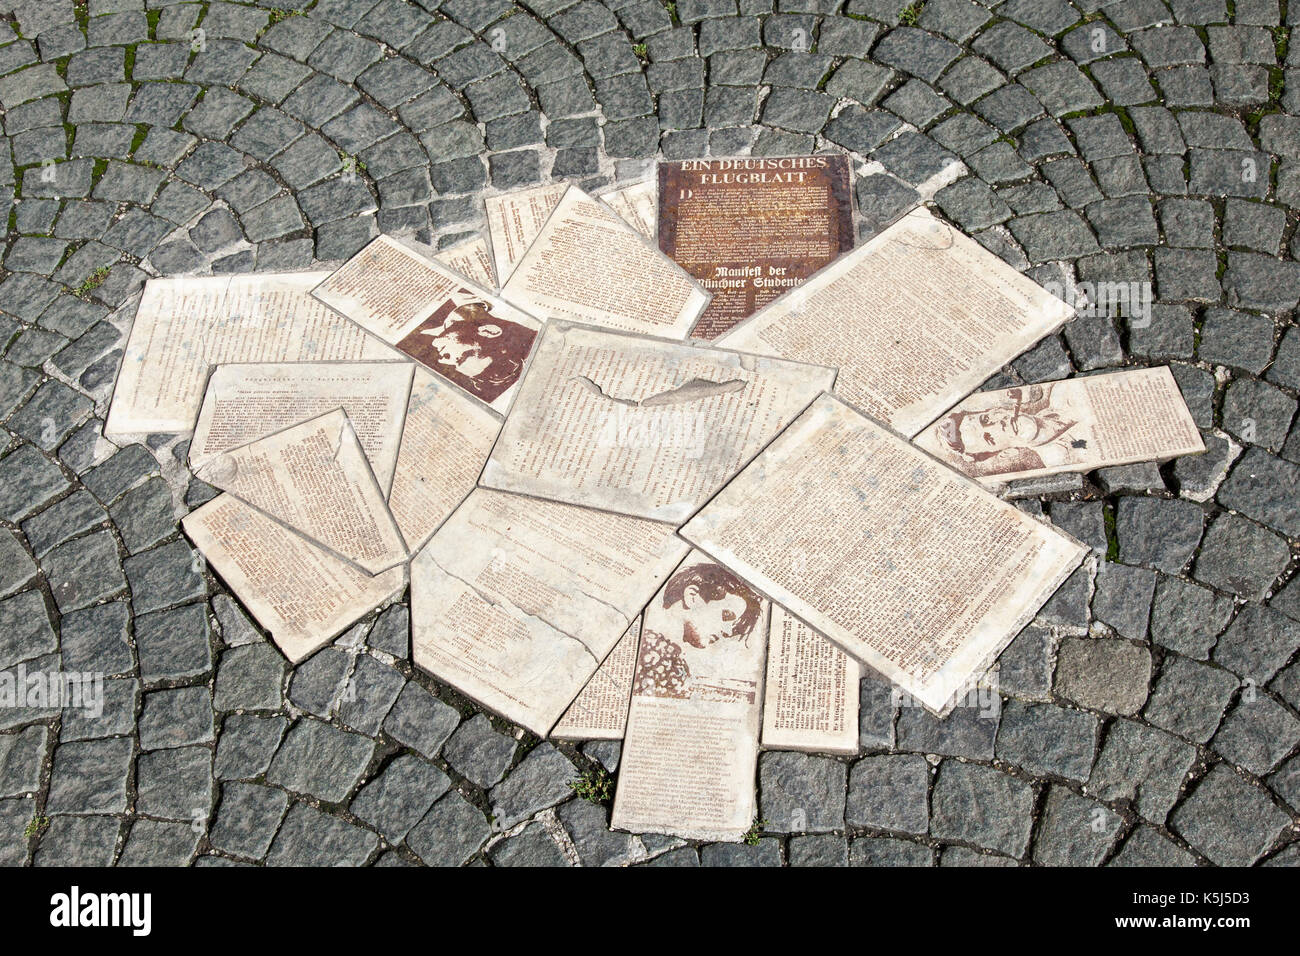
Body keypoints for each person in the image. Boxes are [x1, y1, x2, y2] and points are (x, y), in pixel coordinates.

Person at [633, 563, 763, 699]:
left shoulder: (668, 657)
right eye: (726, 615)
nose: (728, 632)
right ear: (692, 596)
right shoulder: (651, 654)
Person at [398, 295, 535, 403]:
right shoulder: (469, 300)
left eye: (455, 364)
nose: (442, 360)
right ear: (488, 331)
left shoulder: (421, 334)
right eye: (461, 357)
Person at [934, 384, 1080, 478]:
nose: (999, 425)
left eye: (985, 419)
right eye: (989, 438)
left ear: (998, 410)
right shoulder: (1062, 461)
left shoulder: (1064, 391)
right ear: (1007, 453)